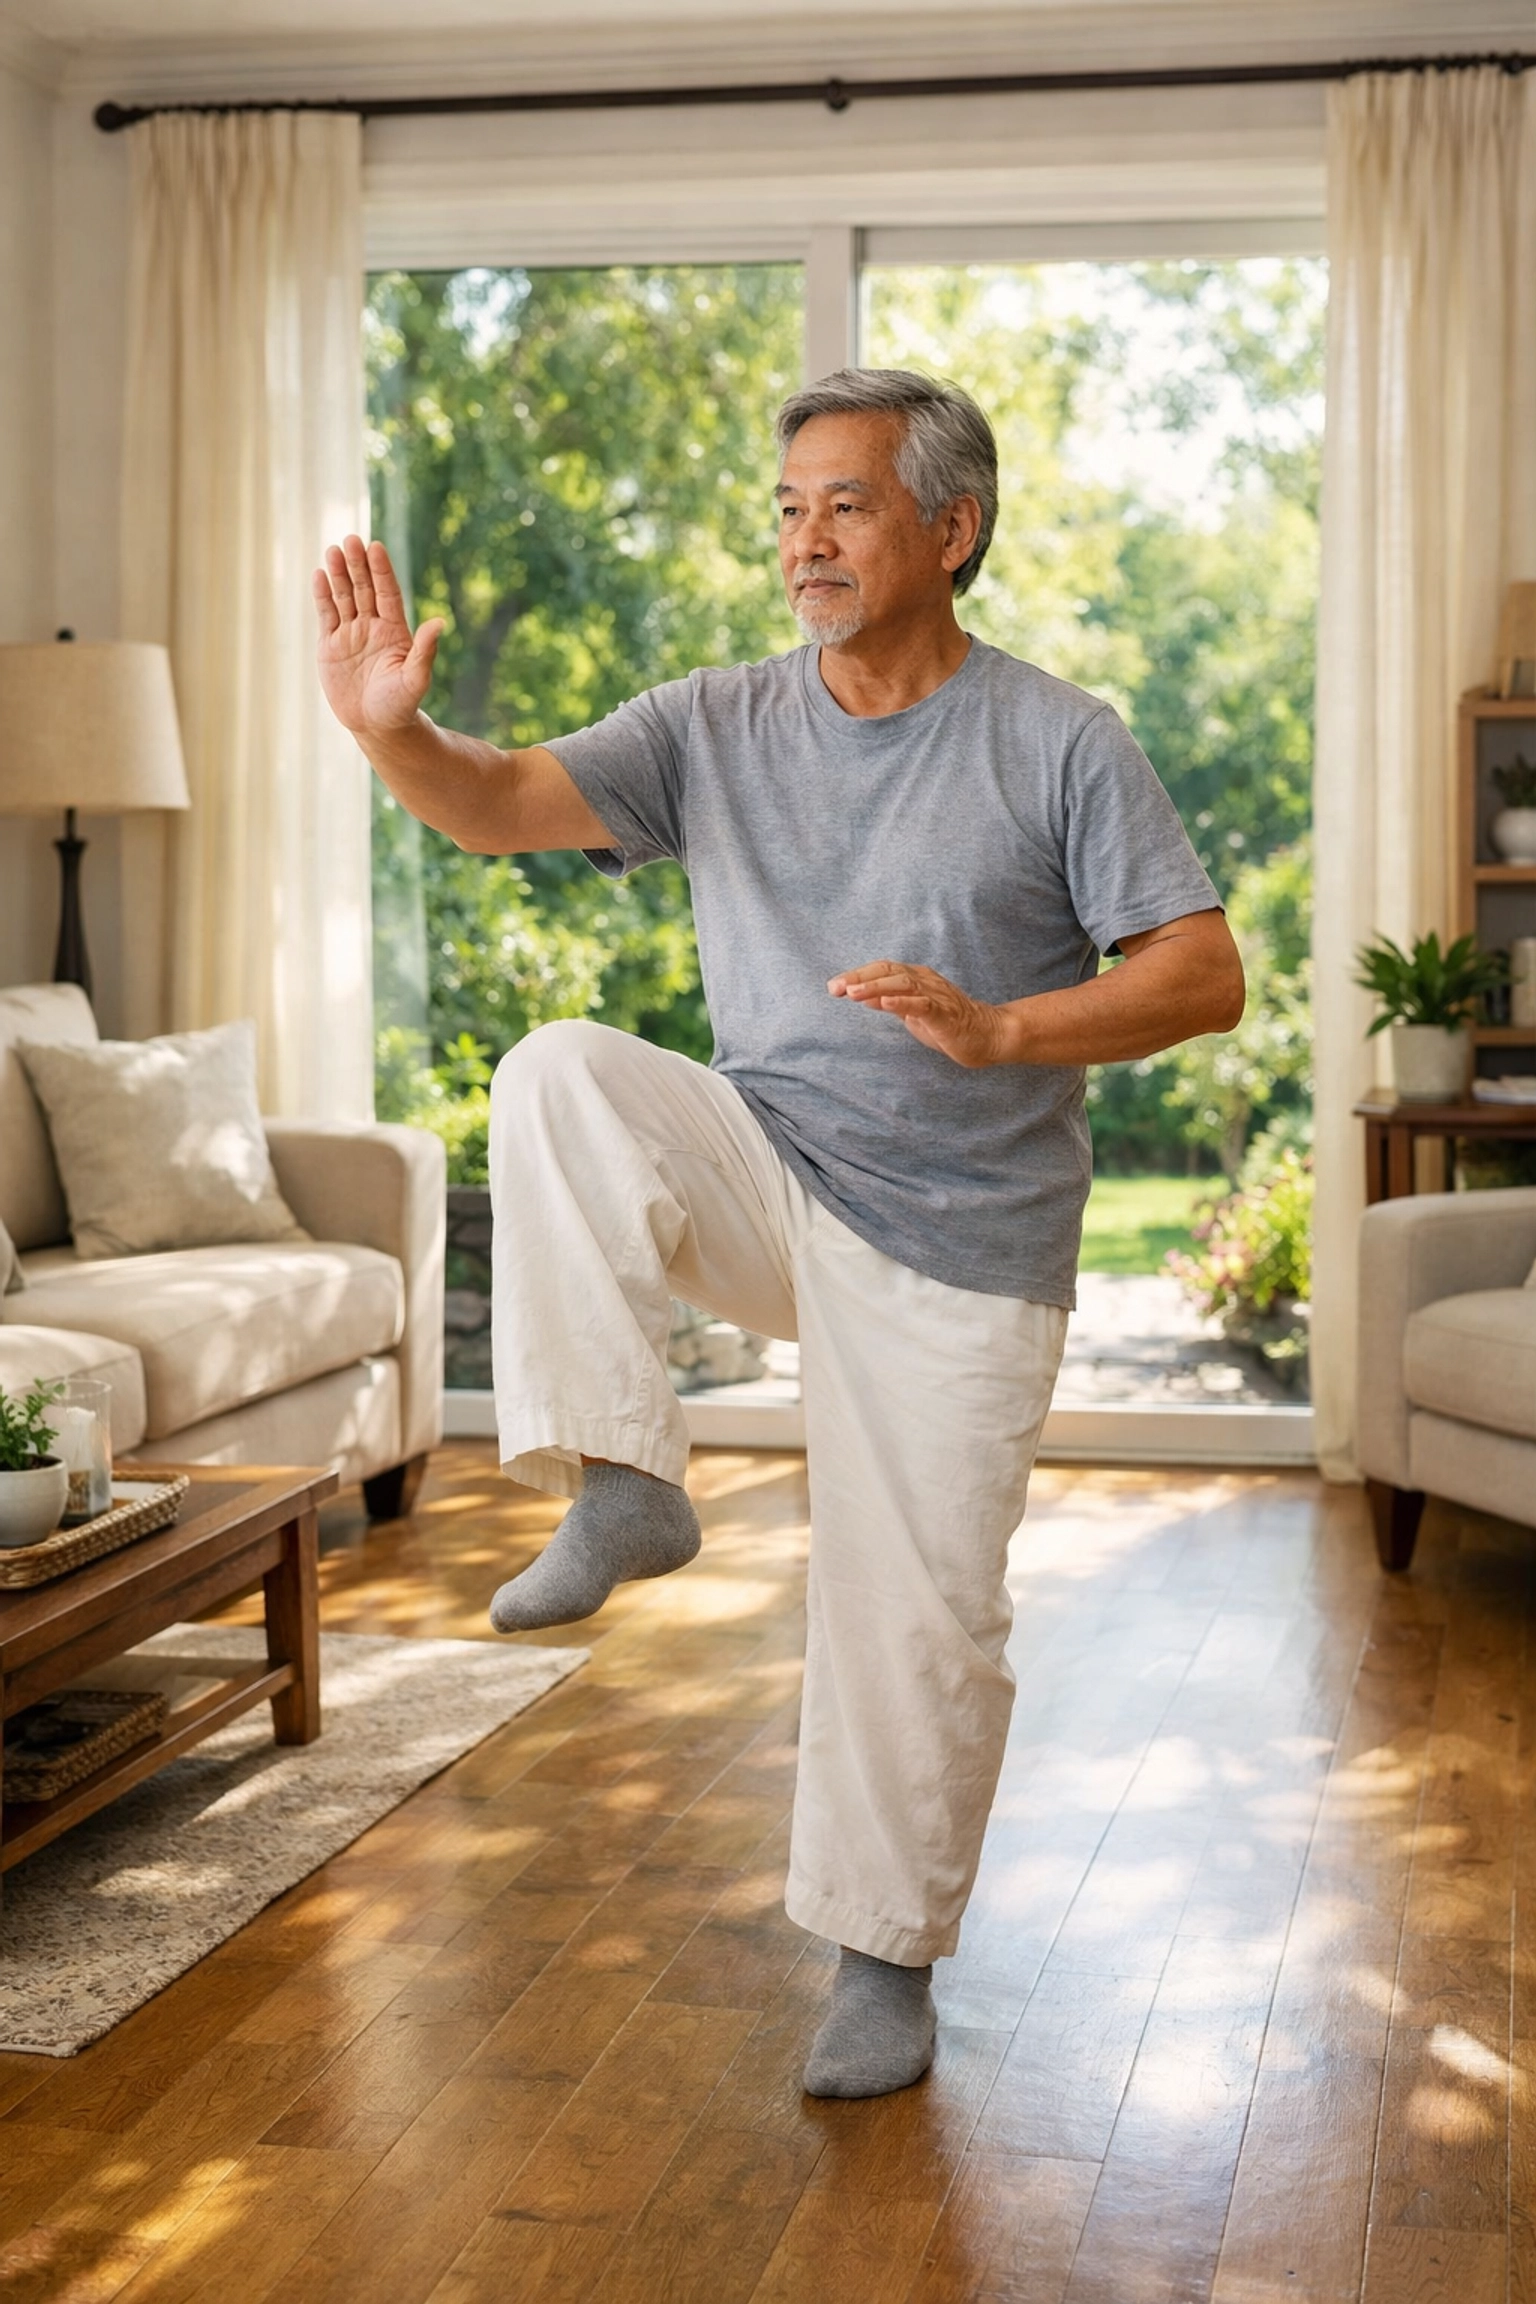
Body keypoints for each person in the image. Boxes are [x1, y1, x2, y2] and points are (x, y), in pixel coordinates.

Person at [314, 367, 1244, 2101]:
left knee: (920, 1620)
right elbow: (503, 795)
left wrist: (1004, 1029)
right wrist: (388, 731)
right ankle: (626, 1478)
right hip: (775, 1163)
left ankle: (881, 1960)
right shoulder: (718, 722)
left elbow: (1203, 974)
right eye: (790, 508)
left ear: (950, 529)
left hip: (964, 1238)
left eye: (850, 505)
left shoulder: (1058, 738)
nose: (807, 541)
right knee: (557, 1074)